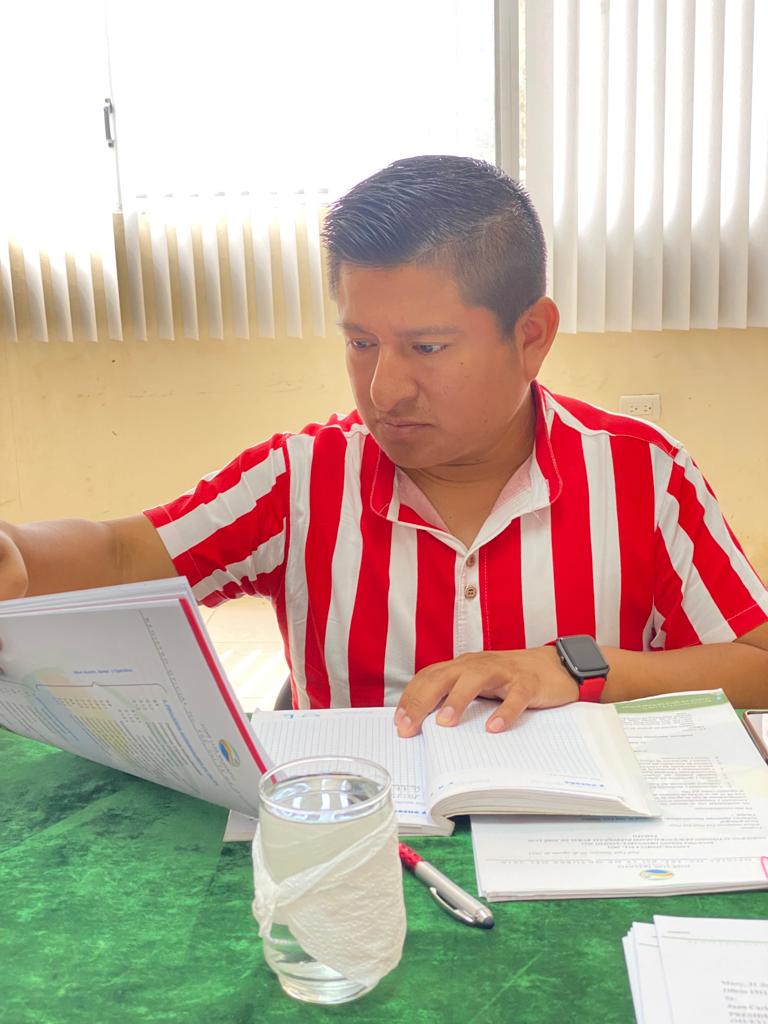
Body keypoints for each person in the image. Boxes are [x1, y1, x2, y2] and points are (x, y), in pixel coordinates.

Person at [1, 155, 767, 738]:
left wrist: (576, 669)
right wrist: (18, 552)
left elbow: (757, 666)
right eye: (360, 341)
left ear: (531, 336)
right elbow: (123, 554)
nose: (384, 390)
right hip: (364, 842)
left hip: (583, 856)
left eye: (427, 348)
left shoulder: (641, 472)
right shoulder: (300, 479)